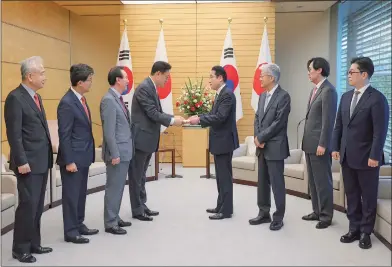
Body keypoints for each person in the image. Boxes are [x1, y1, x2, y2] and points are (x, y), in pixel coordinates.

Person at [332, 57, 389, 249]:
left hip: (367, 158)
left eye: (352, 72)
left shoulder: (377, 98)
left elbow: (380, 131)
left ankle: (366, 232)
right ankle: (353, 228)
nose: (348, 75)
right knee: (352, 194)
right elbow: (339, 125)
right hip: (347, 155)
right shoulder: (346, 97)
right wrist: (335, 147)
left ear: (364, 74)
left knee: (368, 196)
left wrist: (375, 155)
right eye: (348, 72)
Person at [4, 56, 53, 263]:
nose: (45, 77)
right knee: (27, 205)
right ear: (29, 75)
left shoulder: (36, 97)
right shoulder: (15, 98)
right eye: (41, 73)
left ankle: (34, 242)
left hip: (41, 161)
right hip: (27, 164)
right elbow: (14, 134)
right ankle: (20, 248)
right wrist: (21, 160)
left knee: (37, 205)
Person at [129, 61, 184, 221]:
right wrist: (173, 120)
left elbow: (156, 112)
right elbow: (153, 113)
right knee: (136, 175)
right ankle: (137, 210)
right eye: (166, 77)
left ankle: (142, 204)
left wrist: (173, 118)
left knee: (142, 175)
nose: (167, 80)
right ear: (158, 74)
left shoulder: (151, 87)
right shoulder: (144, 88)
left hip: (148, 138)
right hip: (141, 139)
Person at [188, 66, 239, 220]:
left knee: (224, 177)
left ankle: (226, 210)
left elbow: (220, 117)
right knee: (220, 176)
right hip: (219, 141)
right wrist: (200, 116)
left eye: (211, 76)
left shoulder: (227, 95)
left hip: (224, 142)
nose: (209, 80)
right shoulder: (220, 94)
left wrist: (200, 119)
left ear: (220, 78)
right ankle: (220, 205)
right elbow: (213, 114)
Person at [57, 64, 99, 244]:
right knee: (71, 195)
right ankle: (71, 231)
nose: (91, 83)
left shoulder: (81, 99)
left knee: (81, 193)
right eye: (89, 80)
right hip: (73, 158)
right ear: (80, 82)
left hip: (84, 156)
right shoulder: (67, 103)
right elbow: (64, 134)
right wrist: (69, 160)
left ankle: (79, 223)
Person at [249, 63, 290, 231]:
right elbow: (257, 117)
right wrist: (257, 137)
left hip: (275, 146)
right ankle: (263, 213)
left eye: (262, 75)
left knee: (277, 183)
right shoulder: (262, 96)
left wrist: (262, 136)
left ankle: (278, 217)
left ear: (271, 78)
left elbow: (279, 123)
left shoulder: (284, 96)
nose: (260, 78)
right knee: (262, 182)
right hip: (262, 146)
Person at [301, 57, 338, 229]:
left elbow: (328, 121)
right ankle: (316, 211)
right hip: (309, 144)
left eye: (310, 69)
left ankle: (326, 215)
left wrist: (323, 144)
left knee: (323, 181)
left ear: (320, 70)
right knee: (313, 181)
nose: (308, 72)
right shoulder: (315, 90)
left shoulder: (328, 91)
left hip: (319, 146)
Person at [100, 66, 133, 235]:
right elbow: (109, 132)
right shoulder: (109, 100)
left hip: (124, 151)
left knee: (119, 187)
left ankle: (115, 216)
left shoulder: (117, 98)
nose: (128, 80)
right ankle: (110, 222)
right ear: (118, 80)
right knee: (114, 187)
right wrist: (114, 153)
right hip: (117, 153)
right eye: (125, 77)